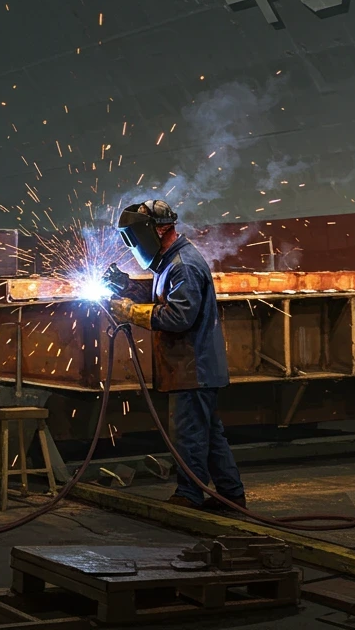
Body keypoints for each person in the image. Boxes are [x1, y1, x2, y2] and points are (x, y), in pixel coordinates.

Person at [106, 200, 246, 511]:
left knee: (190, 436)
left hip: (192, 368)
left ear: (159, 230)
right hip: (193, 367)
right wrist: (126, 286)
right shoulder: (169, 261)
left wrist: (130, 311)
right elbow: (163, 298)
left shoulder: (182, 264)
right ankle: (231, 495)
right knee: (209, 436)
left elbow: (179, 316)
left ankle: (189, 495)